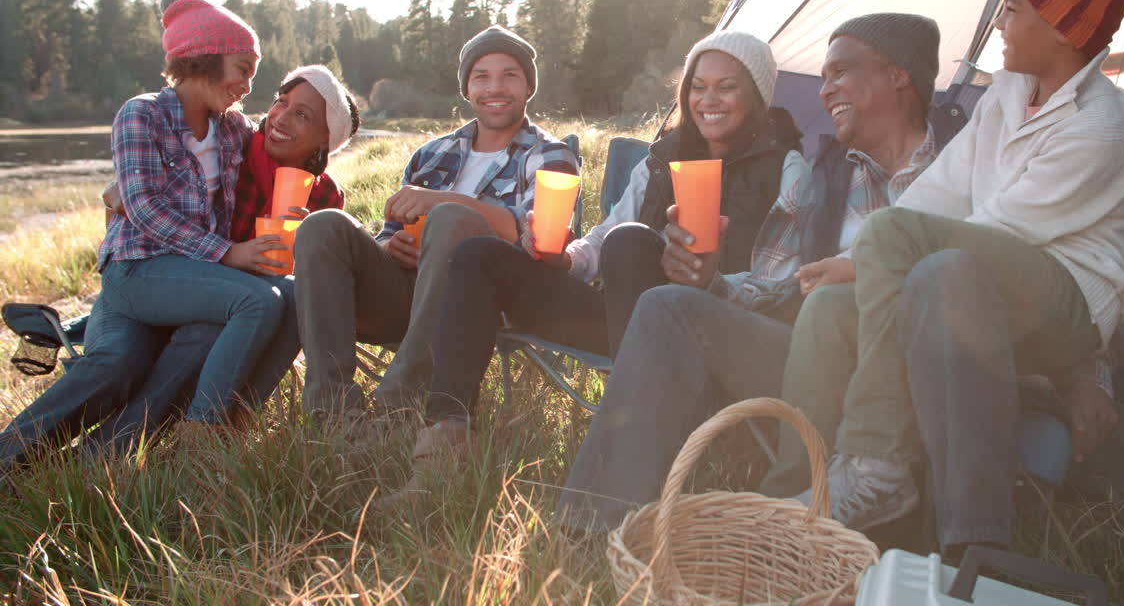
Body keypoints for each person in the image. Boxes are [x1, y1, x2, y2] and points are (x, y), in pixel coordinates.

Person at [758, 0, 1124, 556]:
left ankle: (878, 463)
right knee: (829, 308)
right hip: (975, 273)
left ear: (1065, 29)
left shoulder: (1101, 125)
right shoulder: (1008, 94)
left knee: (912, 247)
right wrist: (855, 264)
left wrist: (876, 254)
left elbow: (1001, 228)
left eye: (1014, 9)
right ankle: (793, 501)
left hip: (1066, 303)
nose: (998, 20)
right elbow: (944, 188)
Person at [555, 13, 942, 533]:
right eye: (822, 77)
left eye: (839, 74)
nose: (825, 93)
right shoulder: (826, 178)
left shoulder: (960, 169)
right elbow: (774, 280)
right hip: (803, 359)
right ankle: (589, 524)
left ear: (899, 75)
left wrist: (859, 273)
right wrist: (709, 281)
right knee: (667, 302)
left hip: (902, 375)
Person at [387, 31, 802, 490]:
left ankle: (634, 448)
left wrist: (711, 281)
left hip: (710, 331)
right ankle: (444, 443)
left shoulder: (787, 169)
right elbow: (603, 237)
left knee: (631, 242)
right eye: (697, 86)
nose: (708, 100)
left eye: (726, 87)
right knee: (480, 255)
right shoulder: (660, 160)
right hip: (624, 321)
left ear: (757, 94)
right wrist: (567, 258)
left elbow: (779, 283)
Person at [0, 0, 285, 469]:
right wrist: (227, 254)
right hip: (138, 269)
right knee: (242, 306)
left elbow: (282, 144)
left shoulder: (233, 129)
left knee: (168, 353)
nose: (246, 85)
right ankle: (9, 458)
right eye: (242, 68)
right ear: (207, 58)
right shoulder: (142, 113)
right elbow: (145, 209)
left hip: (190, 280)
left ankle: (93, 463)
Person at [293, 25, 578, 419]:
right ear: (467, 89)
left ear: (528, 87)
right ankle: (333, 408)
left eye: (509, 75)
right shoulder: (433, 153)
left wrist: (442, 201)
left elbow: (536, 235)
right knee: (322, 225)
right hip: (403, 296)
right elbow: (388, 232)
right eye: (482, 76)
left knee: (452, 218)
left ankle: (398, 402)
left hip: (477, 304)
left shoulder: (549, 156)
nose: (495, 87)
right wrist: (387, 248)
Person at [87, 64, 362, 452]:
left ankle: (234, 420)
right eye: (281, 103)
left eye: (303, 115)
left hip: (229, 299)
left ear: (325, 142)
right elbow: (151, 187)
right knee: (206, 329)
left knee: (292, 294)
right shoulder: (236, 148)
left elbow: (295, 275)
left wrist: (305, 243)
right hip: (164, 281)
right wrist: (117, 192)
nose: (281, 117)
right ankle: (139, 443)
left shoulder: (324, 198)